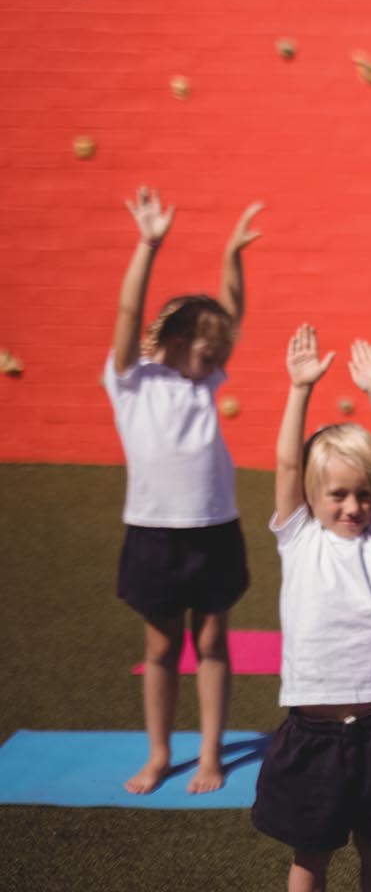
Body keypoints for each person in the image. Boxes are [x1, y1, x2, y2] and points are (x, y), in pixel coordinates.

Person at [252, 325, 371, 892]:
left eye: (363, 493)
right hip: (315, 734)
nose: (353, 506)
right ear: (312, 497)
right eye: (338, 495)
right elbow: (287, 465)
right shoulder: (299, 535)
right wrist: (299, 389)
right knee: (312, 853)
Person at [105, 187, 262, 794]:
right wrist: (148, 244)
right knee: (162, 645)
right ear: (167, 339)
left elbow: (232, 312)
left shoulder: (204, 380)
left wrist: (233, 254)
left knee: (214, 641)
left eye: (219, 345)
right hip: (152, 531)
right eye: (206, 341)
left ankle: (210, 754)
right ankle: (158, 751)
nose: (220, 350)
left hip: (214, 527)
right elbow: (126, 314)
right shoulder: (129, 381)